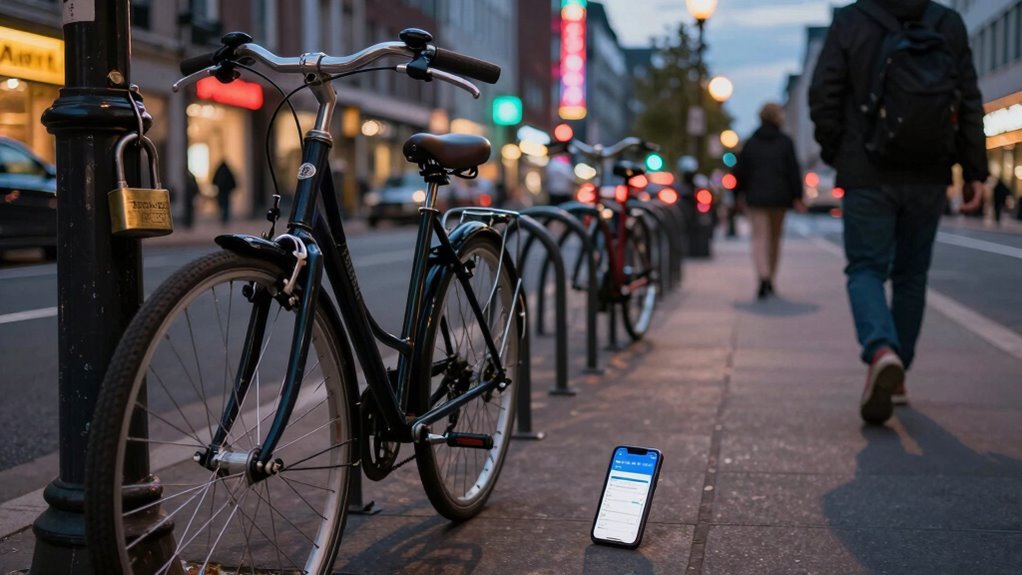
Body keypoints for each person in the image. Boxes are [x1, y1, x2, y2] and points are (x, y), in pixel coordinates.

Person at [809, 0, 985, 425]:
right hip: (928, 173)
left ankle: (881, 350)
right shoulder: (947, 22)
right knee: (911, 275)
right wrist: (974, 170)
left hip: (867, 172)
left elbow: (823, 96)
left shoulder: (851, 21)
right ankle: (898, 371)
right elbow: (969, 98)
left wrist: (842, 153)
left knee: (866, 269)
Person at [733, 102, 805, 299]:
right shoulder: (785, 142)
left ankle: (763, 275)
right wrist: (798, 196)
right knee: (774, 240)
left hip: (756, 198)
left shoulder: (751, 143)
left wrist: (737, 196)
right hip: (780, 198)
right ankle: (770, 278)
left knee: (759, 239)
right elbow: (793, 171)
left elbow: (740, 172)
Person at [212, 160, 237, 224]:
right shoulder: (227, 171)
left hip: (221, 191)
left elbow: (214, 180)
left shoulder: (219, 171)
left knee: (222, 204)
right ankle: (225, 217)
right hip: (226, 191)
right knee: (226, 205)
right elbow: (232, 181)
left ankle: (224, 217)